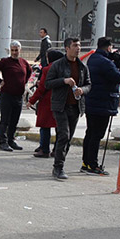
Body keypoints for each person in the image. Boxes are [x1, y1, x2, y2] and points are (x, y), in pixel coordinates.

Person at [81, 37, 120, 175]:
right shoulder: (104, 62)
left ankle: (86, 163)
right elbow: (118, 77)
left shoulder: (94, 58)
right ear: (108, 47)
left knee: (90, 133)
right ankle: (92, 165)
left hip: (93, 101)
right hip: (102, 103)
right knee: (96, 135)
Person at [43, 38, 90, 180]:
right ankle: (58, 167)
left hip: (75, 106)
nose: (78, 48)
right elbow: (47, 83)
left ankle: (60, 162)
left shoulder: (82, 66)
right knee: (63, 134)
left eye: (79, 46)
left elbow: (89, 84)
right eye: (75, 46)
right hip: (60, 106)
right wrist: (64, 81)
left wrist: (82, 90)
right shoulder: (57, 65)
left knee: (68, 138)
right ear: (67, 48)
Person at [0, 41, 32, 151]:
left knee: (14, 120)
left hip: (18, 96)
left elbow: (29, 71)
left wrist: (24, 82)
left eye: (16, 50)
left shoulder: (23, 62)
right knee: (5, 119)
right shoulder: (5, 62)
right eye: (12, 50)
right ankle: (2, 142)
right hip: (6, 95)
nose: (14, 52)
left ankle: (11, 140)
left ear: (20, 50)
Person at [28, 49, 63, 158]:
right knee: (59, 127)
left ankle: (44, 149)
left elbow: (42, 87)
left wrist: (32, 100)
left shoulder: (47, 69)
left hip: (47, 101)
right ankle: (57, 149)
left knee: (44, 126)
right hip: (60, 100)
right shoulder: (64, 69)